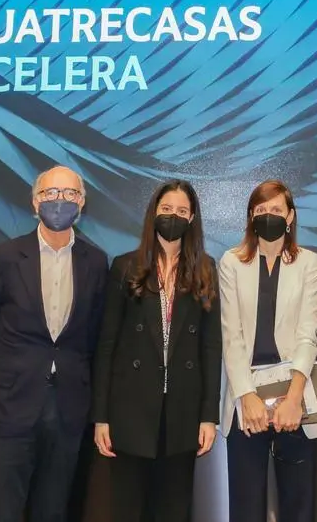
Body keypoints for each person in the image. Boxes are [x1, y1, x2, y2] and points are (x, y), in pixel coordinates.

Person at [0, 166, 108, 522]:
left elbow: (94, 336)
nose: (60, 201)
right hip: (9, 409)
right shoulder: (4, 257)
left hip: (68, 410)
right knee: (3, 511)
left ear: (82, 203)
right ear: (34, 201)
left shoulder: (95, 262)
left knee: (53, 511)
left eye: (70, 194)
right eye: (50, 193)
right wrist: (6, 374)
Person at [91, 180, 222, 522]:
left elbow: (211, 347)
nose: (173, 216)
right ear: (153, 213)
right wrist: (101, 416)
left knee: (173, 510)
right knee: (128, 509)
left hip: (182, 412)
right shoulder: (125, 267)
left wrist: (209, 416)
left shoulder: (205, 269)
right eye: (166, 209)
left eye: (181, 211)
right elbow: (107, 345)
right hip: (130, 411)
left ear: (191, 219)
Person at [218, 179, 317, 522]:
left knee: (299, 507)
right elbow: (231, 335)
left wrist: (293, 399)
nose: (268, 215)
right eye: (260, 210)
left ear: (290, 216)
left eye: (276, 209)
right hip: (246, 400)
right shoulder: (231, 262)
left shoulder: (308, 262)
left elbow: (308, 334)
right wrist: (247, 396)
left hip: (294, 399)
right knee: (246, 508)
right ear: (251, 216)